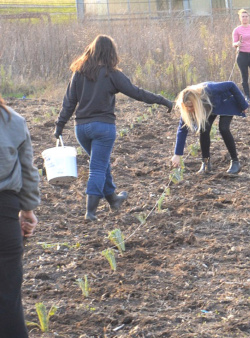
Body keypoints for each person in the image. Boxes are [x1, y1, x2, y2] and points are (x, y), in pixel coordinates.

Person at [55, 35, 173, 221]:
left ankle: (113, 199)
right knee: (97, 168)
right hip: (103, 128)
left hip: (82, 129)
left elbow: (69, 102)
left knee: (100, 164)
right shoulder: (112, 74)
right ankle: (90, 212)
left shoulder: (79, 72)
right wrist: (164, 100)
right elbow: (137, 93)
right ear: (111, 52)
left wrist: (60, 125)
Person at [0, 96, 46, 338]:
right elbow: (28, 171)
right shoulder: (11, 121)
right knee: (7, 293)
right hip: (4, 212)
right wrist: (28, 211)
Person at [170, 82, 250, 175]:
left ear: (196, 102)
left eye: (191, 106)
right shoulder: (187, 108)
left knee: (223, 128)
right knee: (204, 129)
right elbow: (182, 130)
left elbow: (231, 85)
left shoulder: (210, 89)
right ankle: (206, 163)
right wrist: (177, 154)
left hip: (226, 100)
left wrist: (243, 105)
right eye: (187, 107)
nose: (189, 109)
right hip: (209, 105)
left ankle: (235, 162)